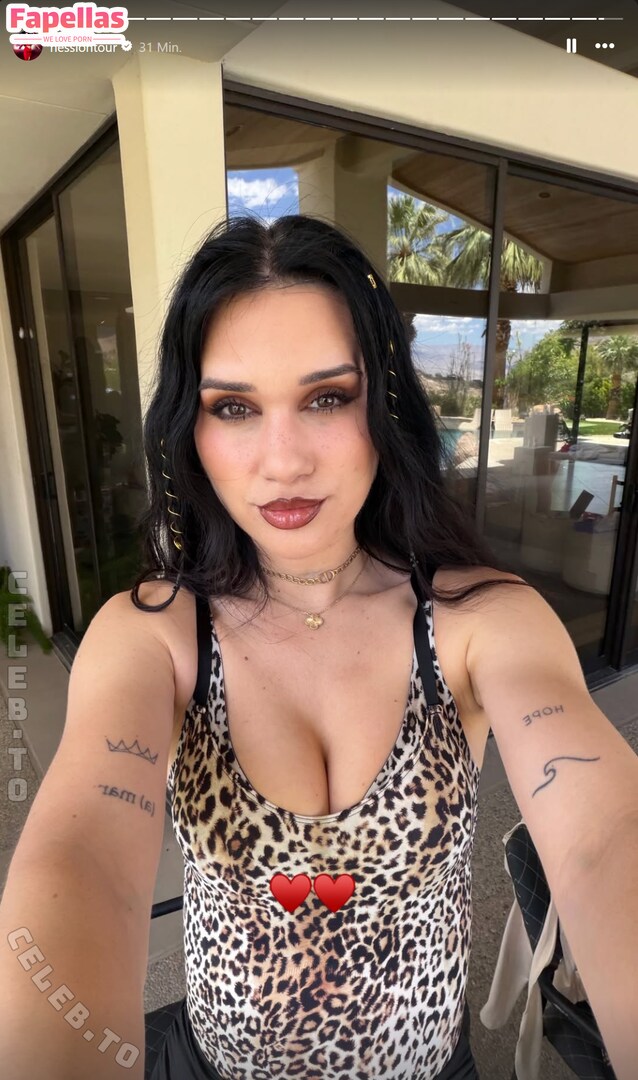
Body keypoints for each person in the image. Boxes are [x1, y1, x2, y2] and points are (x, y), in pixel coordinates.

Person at [1, 215, 637, 1080]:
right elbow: (87, 864)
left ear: (385, 407)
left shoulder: (483, 620)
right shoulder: (153, 634)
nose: (283, 460)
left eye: (327, 398)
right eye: (234, 407)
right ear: (190, 429)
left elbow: (607, 838)